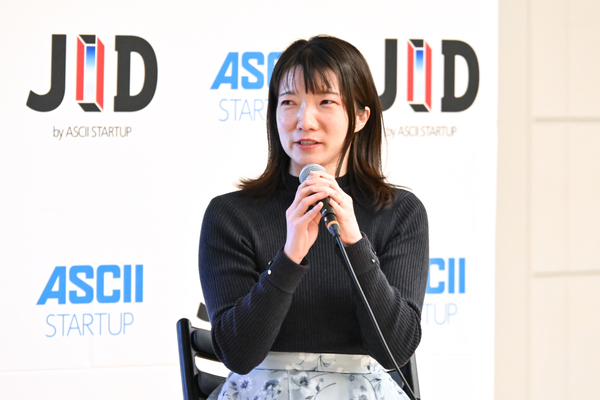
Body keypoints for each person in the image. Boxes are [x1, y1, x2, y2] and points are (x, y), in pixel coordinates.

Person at [199, 35, 429, 400]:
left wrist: (355, 244)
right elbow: (238, 355)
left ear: (360, 116)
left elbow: (395, 351)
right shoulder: (231, 215)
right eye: (289, 102)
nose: (304, 121)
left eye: (326, 102)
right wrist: (289, 256)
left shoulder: (399, 212)